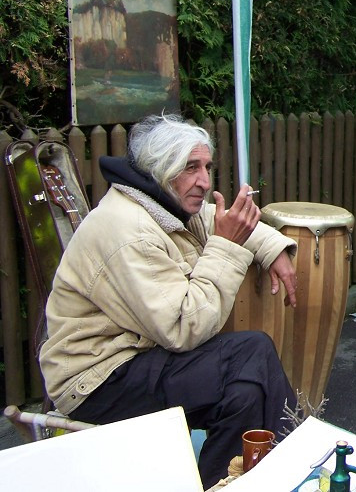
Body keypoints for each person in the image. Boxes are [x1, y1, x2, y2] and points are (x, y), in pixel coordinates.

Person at [39, 114, 299, 489]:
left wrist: (272, 247)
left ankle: (221, 483)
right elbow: (183, 328)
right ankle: (298, 462)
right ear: (160, 169)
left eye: (207, 167)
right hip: (96, 379)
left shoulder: (162, 203)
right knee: (251, 353)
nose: (205, 181)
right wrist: (227, 247)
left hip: (140, 356)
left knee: (245, 393)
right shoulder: (129, 230)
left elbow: (219, 219)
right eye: (191, 167)